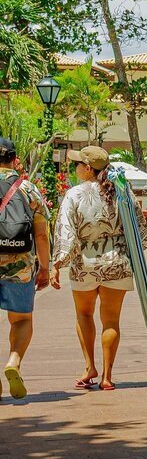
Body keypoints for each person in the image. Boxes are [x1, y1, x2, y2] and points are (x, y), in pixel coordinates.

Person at [52, 146, 144, 391]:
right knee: (111, 320)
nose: (75, 169)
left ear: (88, 168)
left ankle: (89, 366)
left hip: (85, 263)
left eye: (77, 165)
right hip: (117, 262)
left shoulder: (73, 195)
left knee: (84, 315)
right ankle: (107, 376)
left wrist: (58, 263)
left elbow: (66, 233)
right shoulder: (123, 192)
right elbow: (140, 233)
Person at [0, 138, 54, 400]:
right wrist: (45, 268)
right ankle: (13, 361)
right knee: (21, 319)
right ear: (14, 158)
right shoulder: (28, 189)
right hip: (19, 263)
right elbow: (41, 236)